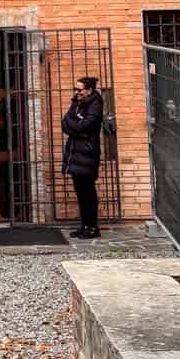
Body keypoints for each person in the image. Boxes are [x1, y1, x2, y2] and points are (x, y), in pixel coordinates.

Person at [62, 75, 104, 240]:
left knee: (88, 192)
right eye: (75, 89)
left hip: (87, 153)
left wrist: (76, 125)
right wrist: (76, 125)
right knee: (80, 192)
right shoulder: (77, 102)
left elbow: (87, 125)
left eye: (79, 90)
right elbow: (65, 122)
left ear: (89, 90)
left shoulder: (95, 105)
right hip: (75, 153)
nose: (76, 92)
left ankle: (92, 227)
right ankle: (84, 225)